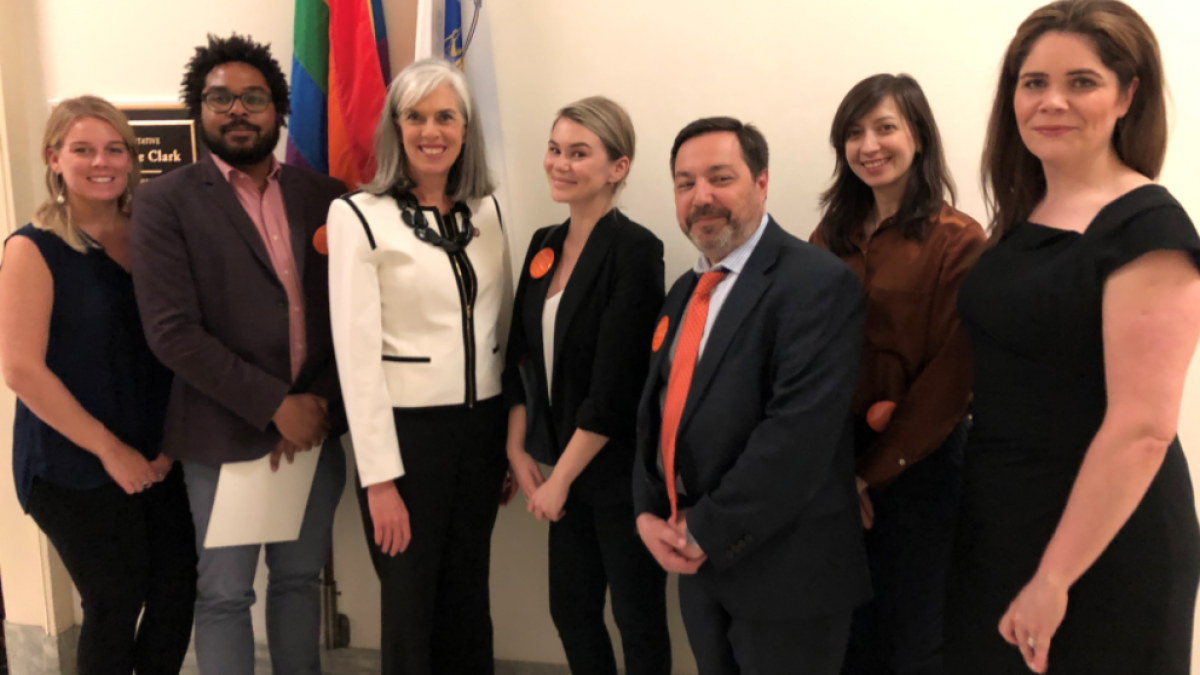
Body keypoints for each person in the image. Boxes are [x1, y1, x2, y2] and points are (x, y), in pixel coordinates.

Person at [944, 1, 1200, 674]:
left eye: (1081, 82)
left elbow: (1143, 428)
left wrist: (1053, 578)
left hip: (1099, 547)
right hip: (1002, 522)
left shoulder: (1148, 229)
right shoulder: (1026, 211)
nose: (1051, 101)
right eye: (1033, 82)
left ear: (1127, 95)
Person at [130, 34, 347, 675]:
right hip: (221, 435)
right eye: (219, 97)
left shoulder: (326, 195)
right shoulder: (163, 201)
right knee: (224, 595)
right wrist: (274, 405)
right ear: (199, 110)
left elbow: (351, 318)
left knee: (300, 581)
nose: (237, 110)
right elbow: (172, 332)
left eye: (253, 98)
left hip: (314, 433)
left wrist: (315, 407)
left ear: (278, 110)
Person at [633, 117, 870, 675]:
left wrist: (705, 529)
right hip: (699, 565)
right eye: (685, 183)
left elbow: (797, 438)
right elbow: (656, 412)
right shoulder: (685, 291)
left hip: (786, 574)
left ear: (761, 183)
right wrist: (648, 509)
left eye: (720, 177)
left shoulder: (816, 282)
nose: (702, 196)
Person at [326, 57, 515, 675]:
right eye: (416, 116)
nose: (431, 130)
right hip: (406, 441)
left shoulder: (487, 211)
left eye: (445, 116)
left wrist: (509, 445)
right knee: (410, 607)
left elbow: (502, 330)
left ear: (466, 128)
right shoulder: (357, 216)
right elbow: (356, 362)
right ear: (395, 127)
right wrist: (379, 480)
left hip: (480, 432)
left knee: (468, 599)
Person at [0, 95, 197, 675]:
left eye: (115, 149)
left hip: (158, 455)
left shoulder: (154, 236)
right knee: (114, 603)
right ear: (53, 158)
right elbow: (21, 370)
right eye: (82, 149)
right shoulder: (31, 248)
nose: (101, 161)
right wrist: (112, 452)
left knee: (175, 593)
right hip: (72, 464)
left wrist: (168, 446)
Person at [810, 74, 986, 675]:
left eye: (885, 127)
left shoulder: (957, 240)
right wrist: (837, 473)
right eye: (854, 133)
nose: (869, 145)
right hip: (837, 458)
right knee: (848, 632)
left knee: (914, 635)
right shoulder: (828, 238)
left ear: (919, 136)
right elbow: (804, 357)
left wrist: (870, 476)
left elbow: (951, 378)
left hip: (923, 461)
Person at [503, 96, 670, 675]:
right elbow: (522, 355)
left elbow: (616, 387)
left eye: (579, 153)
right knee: (570, 609)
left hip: (619, 470)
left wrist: (560, 482)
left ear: (617, 167)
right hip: (563, 464)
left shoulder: (636, 250)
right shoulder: (543, 243)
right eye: (555, 149)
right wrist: (516, 446)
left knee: (636, 615)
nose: (560, 164)